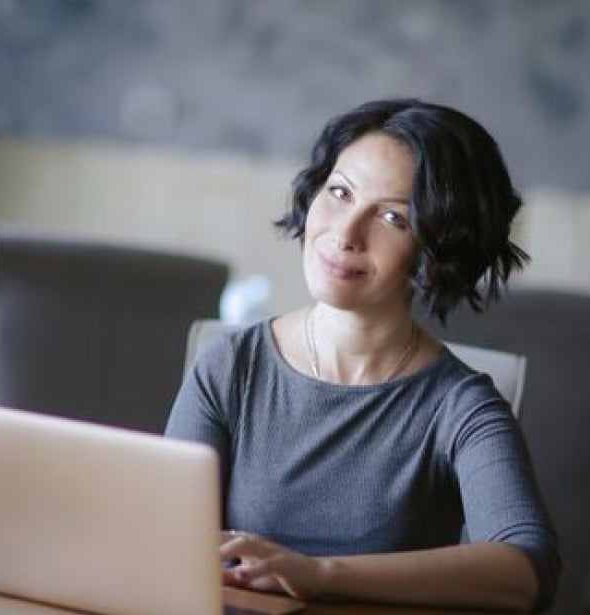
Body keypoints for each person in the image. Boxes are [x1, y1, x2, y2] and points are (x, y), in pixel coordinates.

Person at [165, 99, 559, 612]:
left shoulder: (462, 406)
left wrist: (316, 573)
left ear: (438, 253)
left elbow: (528, 569)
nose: (345, 234)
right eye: (340, 192)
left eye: (393, 217)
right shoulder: (231, 366)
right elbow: (166, 544)